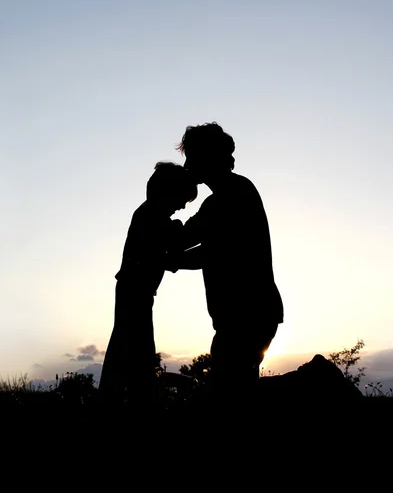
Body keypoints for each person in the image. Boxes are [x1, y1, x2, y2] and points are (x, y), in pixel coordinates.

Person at [168, 122, 284, 413]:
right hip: (246, 316)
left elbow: (206, 252)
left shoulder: (232, 195)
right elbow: (184, 240)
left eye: (191, 157)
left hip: (247, 316)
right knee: (233, 393)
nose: (187, 164)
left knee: (229, 398)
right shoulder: (223, 198)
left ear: (206, 157)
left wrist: (166, 257)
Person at [98, 161, 197, 413]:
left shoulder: (150, 216)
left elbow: (172, 248)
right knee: (134, 351)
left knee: (128, 349)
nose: (183, 206)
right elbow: (175, 245)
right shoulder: (150, 217)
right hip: (135, 292)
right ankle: (130, 405)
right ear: (165, 193)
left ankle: (121, 402)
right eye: (182, 199)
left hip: (136, 292)